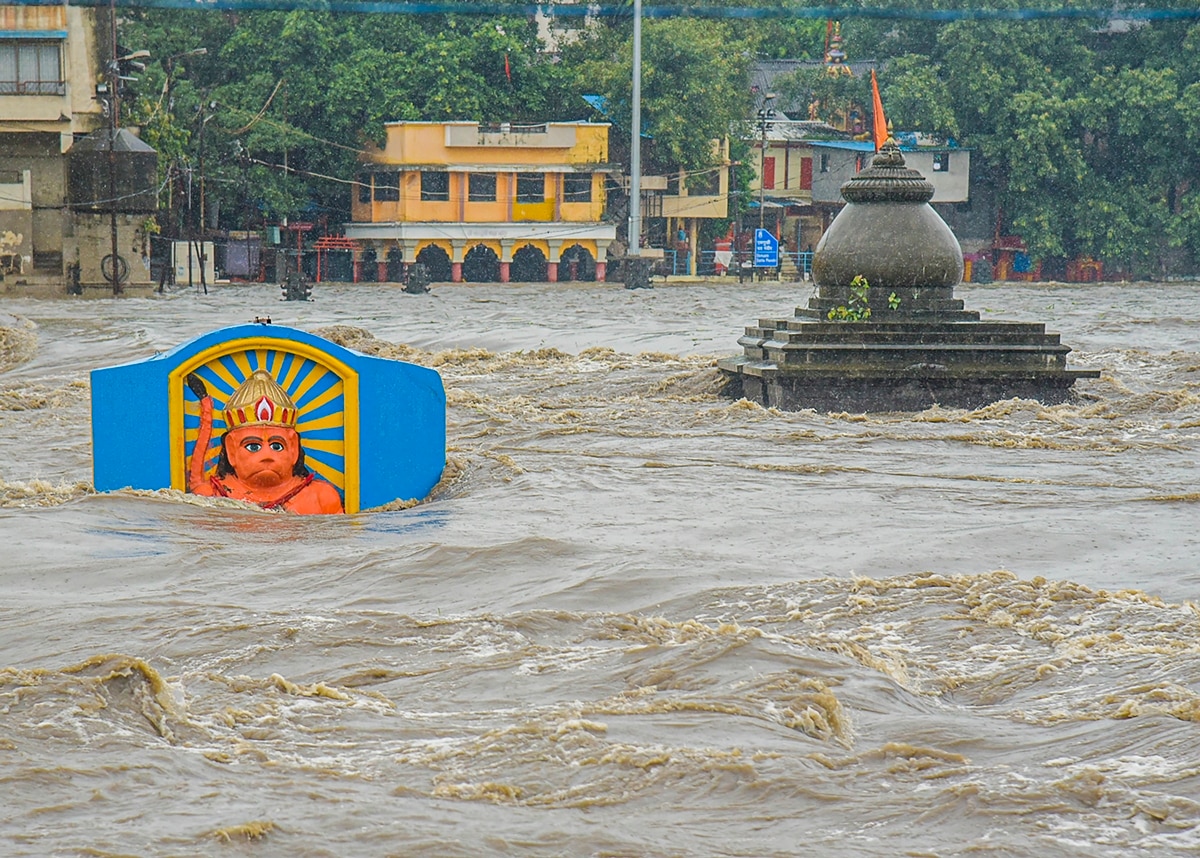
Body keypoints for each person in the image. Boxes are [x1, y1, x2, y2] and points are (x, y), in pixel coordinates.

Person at [186, 369, 344, 514]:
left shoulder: (321, 497)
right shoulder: (210, 497)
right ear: (231, 451)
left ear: (294, 448)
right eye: (253, 446)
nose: (267, 455)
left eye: (277, 446)